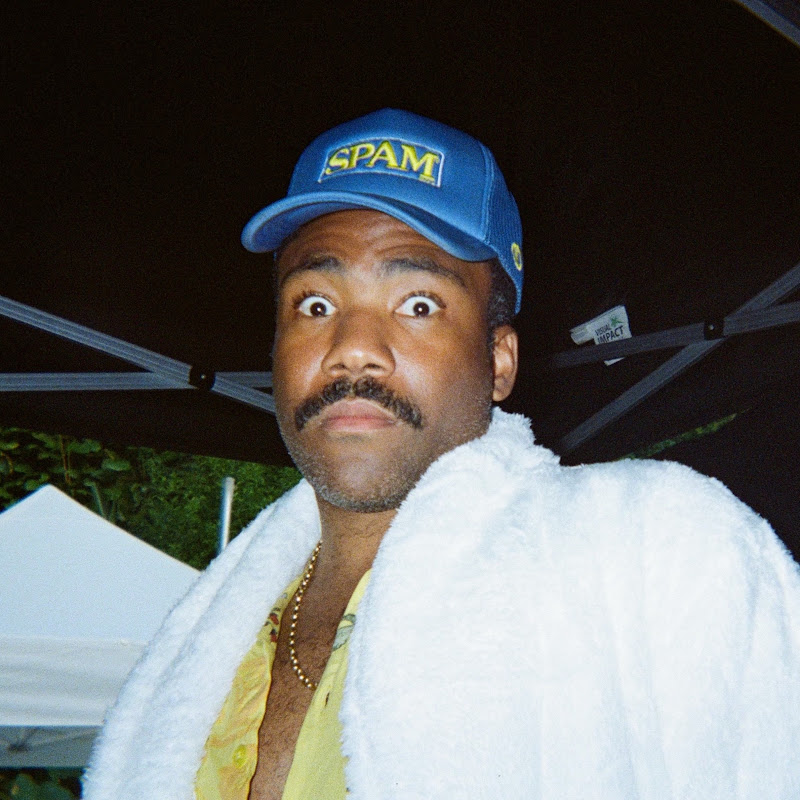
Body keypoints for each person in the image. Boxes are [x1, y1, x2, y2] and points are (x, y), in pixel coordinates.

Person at [83, 109, 800, 800]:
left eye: (418, 304)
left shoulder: (662, 552)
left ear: (499, 361)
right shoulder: (200, 646)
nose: (353, 349)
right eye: (316, 304)